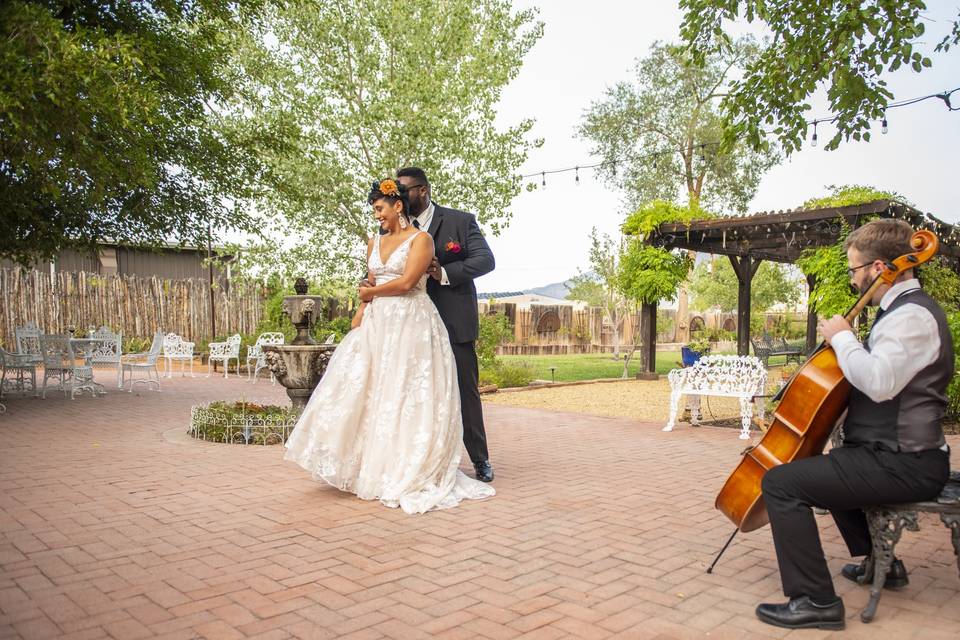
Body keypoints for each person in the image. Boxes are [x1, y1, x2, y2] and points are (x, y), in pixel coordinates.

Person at [755, 218, 953, 630]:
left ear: (879, 268)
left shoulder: (911, 317)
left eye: (854, 269)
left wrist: (843, 338)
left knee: (781, 484)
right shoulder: (899, 313)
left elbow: (880, 383)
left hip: (907, 462)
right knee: (836, 463)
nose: (852, 279)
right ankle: (882, 562)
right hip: (893, 456)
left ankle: (815, 601)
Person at [283, 179, 495, 514]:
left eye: (381, 208)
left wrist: (377, 292)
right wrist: (362, 307)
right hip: (382, 324)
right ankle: (377, 465)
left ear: (404, 201)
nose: (377, 215)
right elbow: (371, 281)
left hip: (419, 322)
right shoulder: (374, 242)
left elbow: (413, 280)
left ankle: (471, 460)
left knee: (430, 391)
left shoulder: (436, 233)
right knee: (378, 390)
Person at [395, 167, 496, 483]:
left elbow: (486, 260)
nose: (400, 197)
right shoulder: (395, 230)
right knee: (413, 392)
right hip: (410, 324)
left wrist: (445, 271)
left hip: (454, 322)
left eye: (405, 190)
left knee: (466, 392)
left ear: (422, 190)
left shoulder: (460, 221)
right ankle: (421, 460)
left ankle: (480, 460)